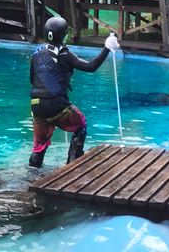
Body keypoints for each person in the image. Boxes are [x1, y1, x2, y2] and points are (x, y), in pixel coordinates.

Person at [28, 17, 120, 168]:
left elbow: (33, 80)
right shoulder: (65, 54)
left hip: (36, 105)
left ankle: (32, 173)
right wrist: (107, 48)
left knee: (39, 145)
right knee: (80, 125)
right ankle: (71, 165)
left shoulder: (37, 53)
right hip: (56, 103)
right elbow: (91, 67)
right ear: (64, 34)